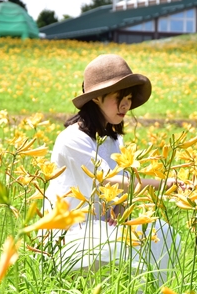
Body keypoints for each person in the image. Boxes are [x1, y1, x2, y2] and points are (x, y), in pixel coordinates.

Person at [43, 54, 180, 281]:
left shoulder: (114, 139)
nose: (126, 105)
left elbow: (119, 191)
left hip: (99, 229)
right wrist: (163, 185)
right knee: (126, 244)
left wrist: (119, 208)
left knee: (164, 233)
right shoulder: (72, 139)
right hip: (67, 235)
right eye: (119, 97)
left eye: (128, 98)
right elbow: (110, 182)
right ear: (96, 98)